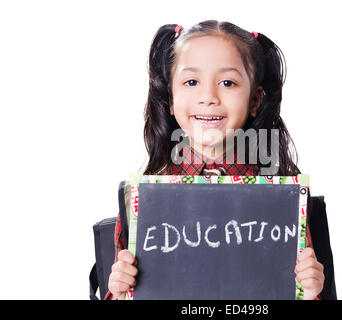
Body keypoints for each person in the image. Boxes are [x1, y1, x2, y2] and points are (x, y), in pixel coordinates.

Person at [106, 20, 325, 300]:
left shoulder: (283, 200)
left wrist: (309, 292)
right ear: (171, 99)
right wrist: (120, 293)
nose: (208, 97)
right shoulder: (144, 200)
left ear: (255, 100)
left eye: (227, 82)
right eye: (191, 82)